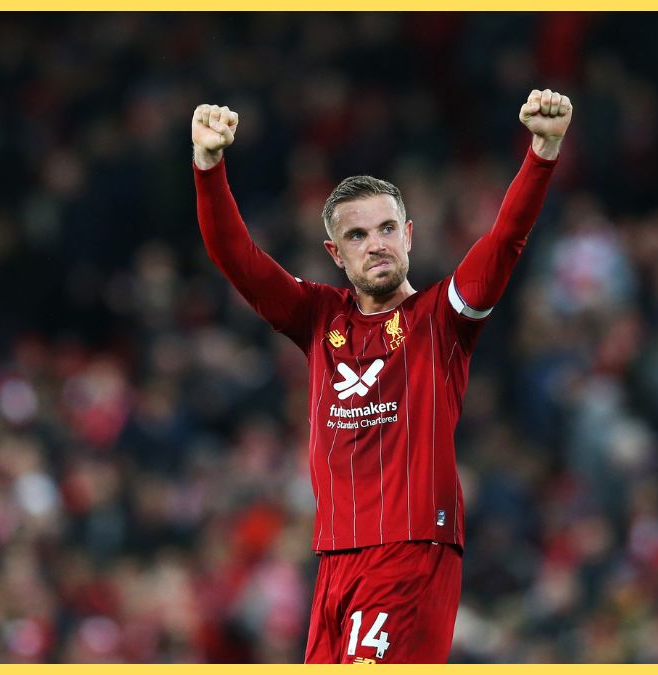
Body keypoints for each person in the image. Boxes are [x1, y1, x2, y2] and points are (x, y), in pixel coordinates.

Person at [190, 88, 572, 663]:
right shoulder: (317, 317)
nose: (376, 246)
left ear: (410, 236)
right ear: (335, 253)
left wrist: (542, 151)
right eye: (358, 236)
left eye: (388, 229)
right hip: (335, 561)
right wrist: (208, 166)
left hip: (411, 550)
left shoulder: (442, 318)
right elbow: (235, 256)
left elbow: (504, 240)